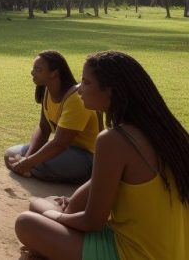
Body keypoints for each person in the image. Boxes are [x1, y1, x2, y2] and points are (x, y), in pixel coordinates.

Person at [15, 51, 189, 259]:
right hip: (170, 250)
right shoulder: (170, 134)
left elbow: (92, 222)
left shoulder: (114, 140)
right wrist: (65, 208)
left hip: (133, 253)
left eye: (86, 83)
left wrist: (56, 215)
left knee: (27, 222)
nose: (79, 89)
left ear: (110, 91)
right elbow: (88, 195)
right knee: (39, 205)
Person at [5, 51, 100, 184]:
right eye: (33, 68)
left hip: (84, 156)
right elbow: (43, 129)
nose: (32, 72)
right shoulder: (47, 90)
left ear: (54, 73)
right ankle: (33, 169)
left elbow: (61, 143)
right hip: (63, 151)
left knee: (37, 163)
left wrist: (28, 162)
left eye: (38, 69)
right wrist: (26, 158)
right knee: (10, 154)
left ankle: (36, 169)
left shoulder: (75, 99)